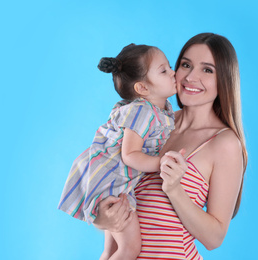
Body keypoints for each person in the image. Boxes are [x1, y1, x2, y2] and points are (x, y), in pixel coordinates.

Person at [93, 33, 248, 259]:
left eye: (207, 70)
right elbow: (113, 183)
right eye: (186, 65)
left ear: (224, 79)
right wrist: (103, 220)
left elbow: (214, 238)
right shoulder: (149, 123)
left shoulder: (224, 143)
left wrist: (174, 189)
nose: (190, 77)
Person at [58, 43, 177, 260]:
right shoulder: (142, 111)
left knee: (111, 250)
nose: (173, 72)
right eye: (164, 70)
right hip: (111, 183)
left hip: (112, 180)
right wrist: (161, 162)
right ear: (142, 88)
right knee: (129, 249)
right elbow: (130, 155)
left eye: (169, 67)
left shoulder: (159, 111)